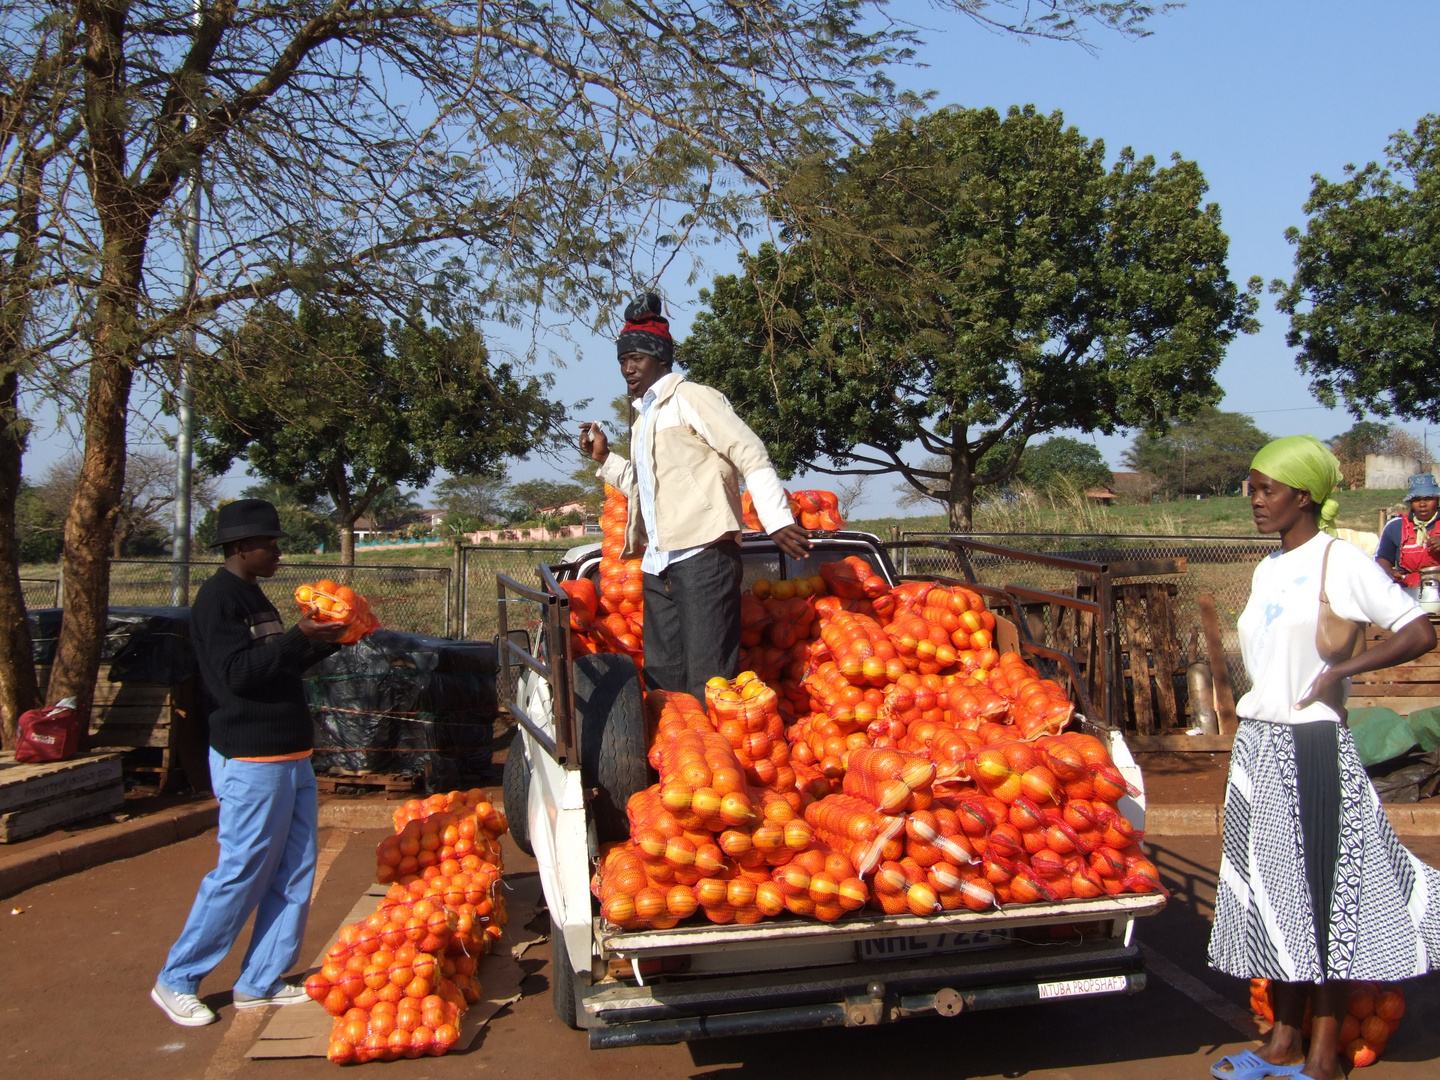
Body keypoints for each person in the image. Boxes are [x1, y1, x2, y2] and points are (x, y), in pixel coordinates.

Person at [1207, 436, 1440, 1080]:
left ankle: (1323, 1057)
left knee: (1323, 896)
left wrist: (1343, 670)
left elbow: (1417, 629)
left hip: (1313, 744)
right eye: (1251, 489)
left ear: (1302, 495)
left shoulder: (1342, 561)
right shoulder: (1267, 568)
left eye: (1267, 489)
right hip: (1261, 744)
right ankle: (1281, 1043)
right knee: (1273, 897)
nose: (1255, 501)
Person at [151, 499, 348, 1027]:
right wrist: (296, 638)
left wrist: (330, 642)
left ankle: (260, 980)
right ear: (241, 548)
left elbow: (275, 668)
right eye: (271, 544)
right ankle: (178, 978)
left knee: (294, 870)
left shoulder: (254, 596)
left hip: (291, 753)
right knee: (241, 872)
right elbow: (236, 675)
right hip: (252, 756)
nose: (279, 553)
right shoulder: (217, 600)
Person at [581, 293, 812, 702]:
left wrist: (775, 519)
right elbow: (643, 486)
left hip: (703, 557)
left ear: (660, 358)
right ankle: (676, 759)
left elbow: (749, 450)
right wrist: (603, 458)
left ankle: (707, 762)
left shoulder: (693, 398)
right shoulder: (644, 417)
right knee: (663, 681)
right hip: (659, 562)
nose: (627, 368)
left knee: (708, 680)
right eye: (622, 360)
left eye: (635, 358)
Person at [1375, 472, 1440, 586]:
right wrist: (1389, 571)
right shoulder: (1395, 527)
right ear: (1410, 503)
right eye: (1416, 500)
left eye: (1428, 498)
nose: (1422, 504)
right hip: (1408, 592)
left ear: (1437, 500)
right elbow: (1383, 558)